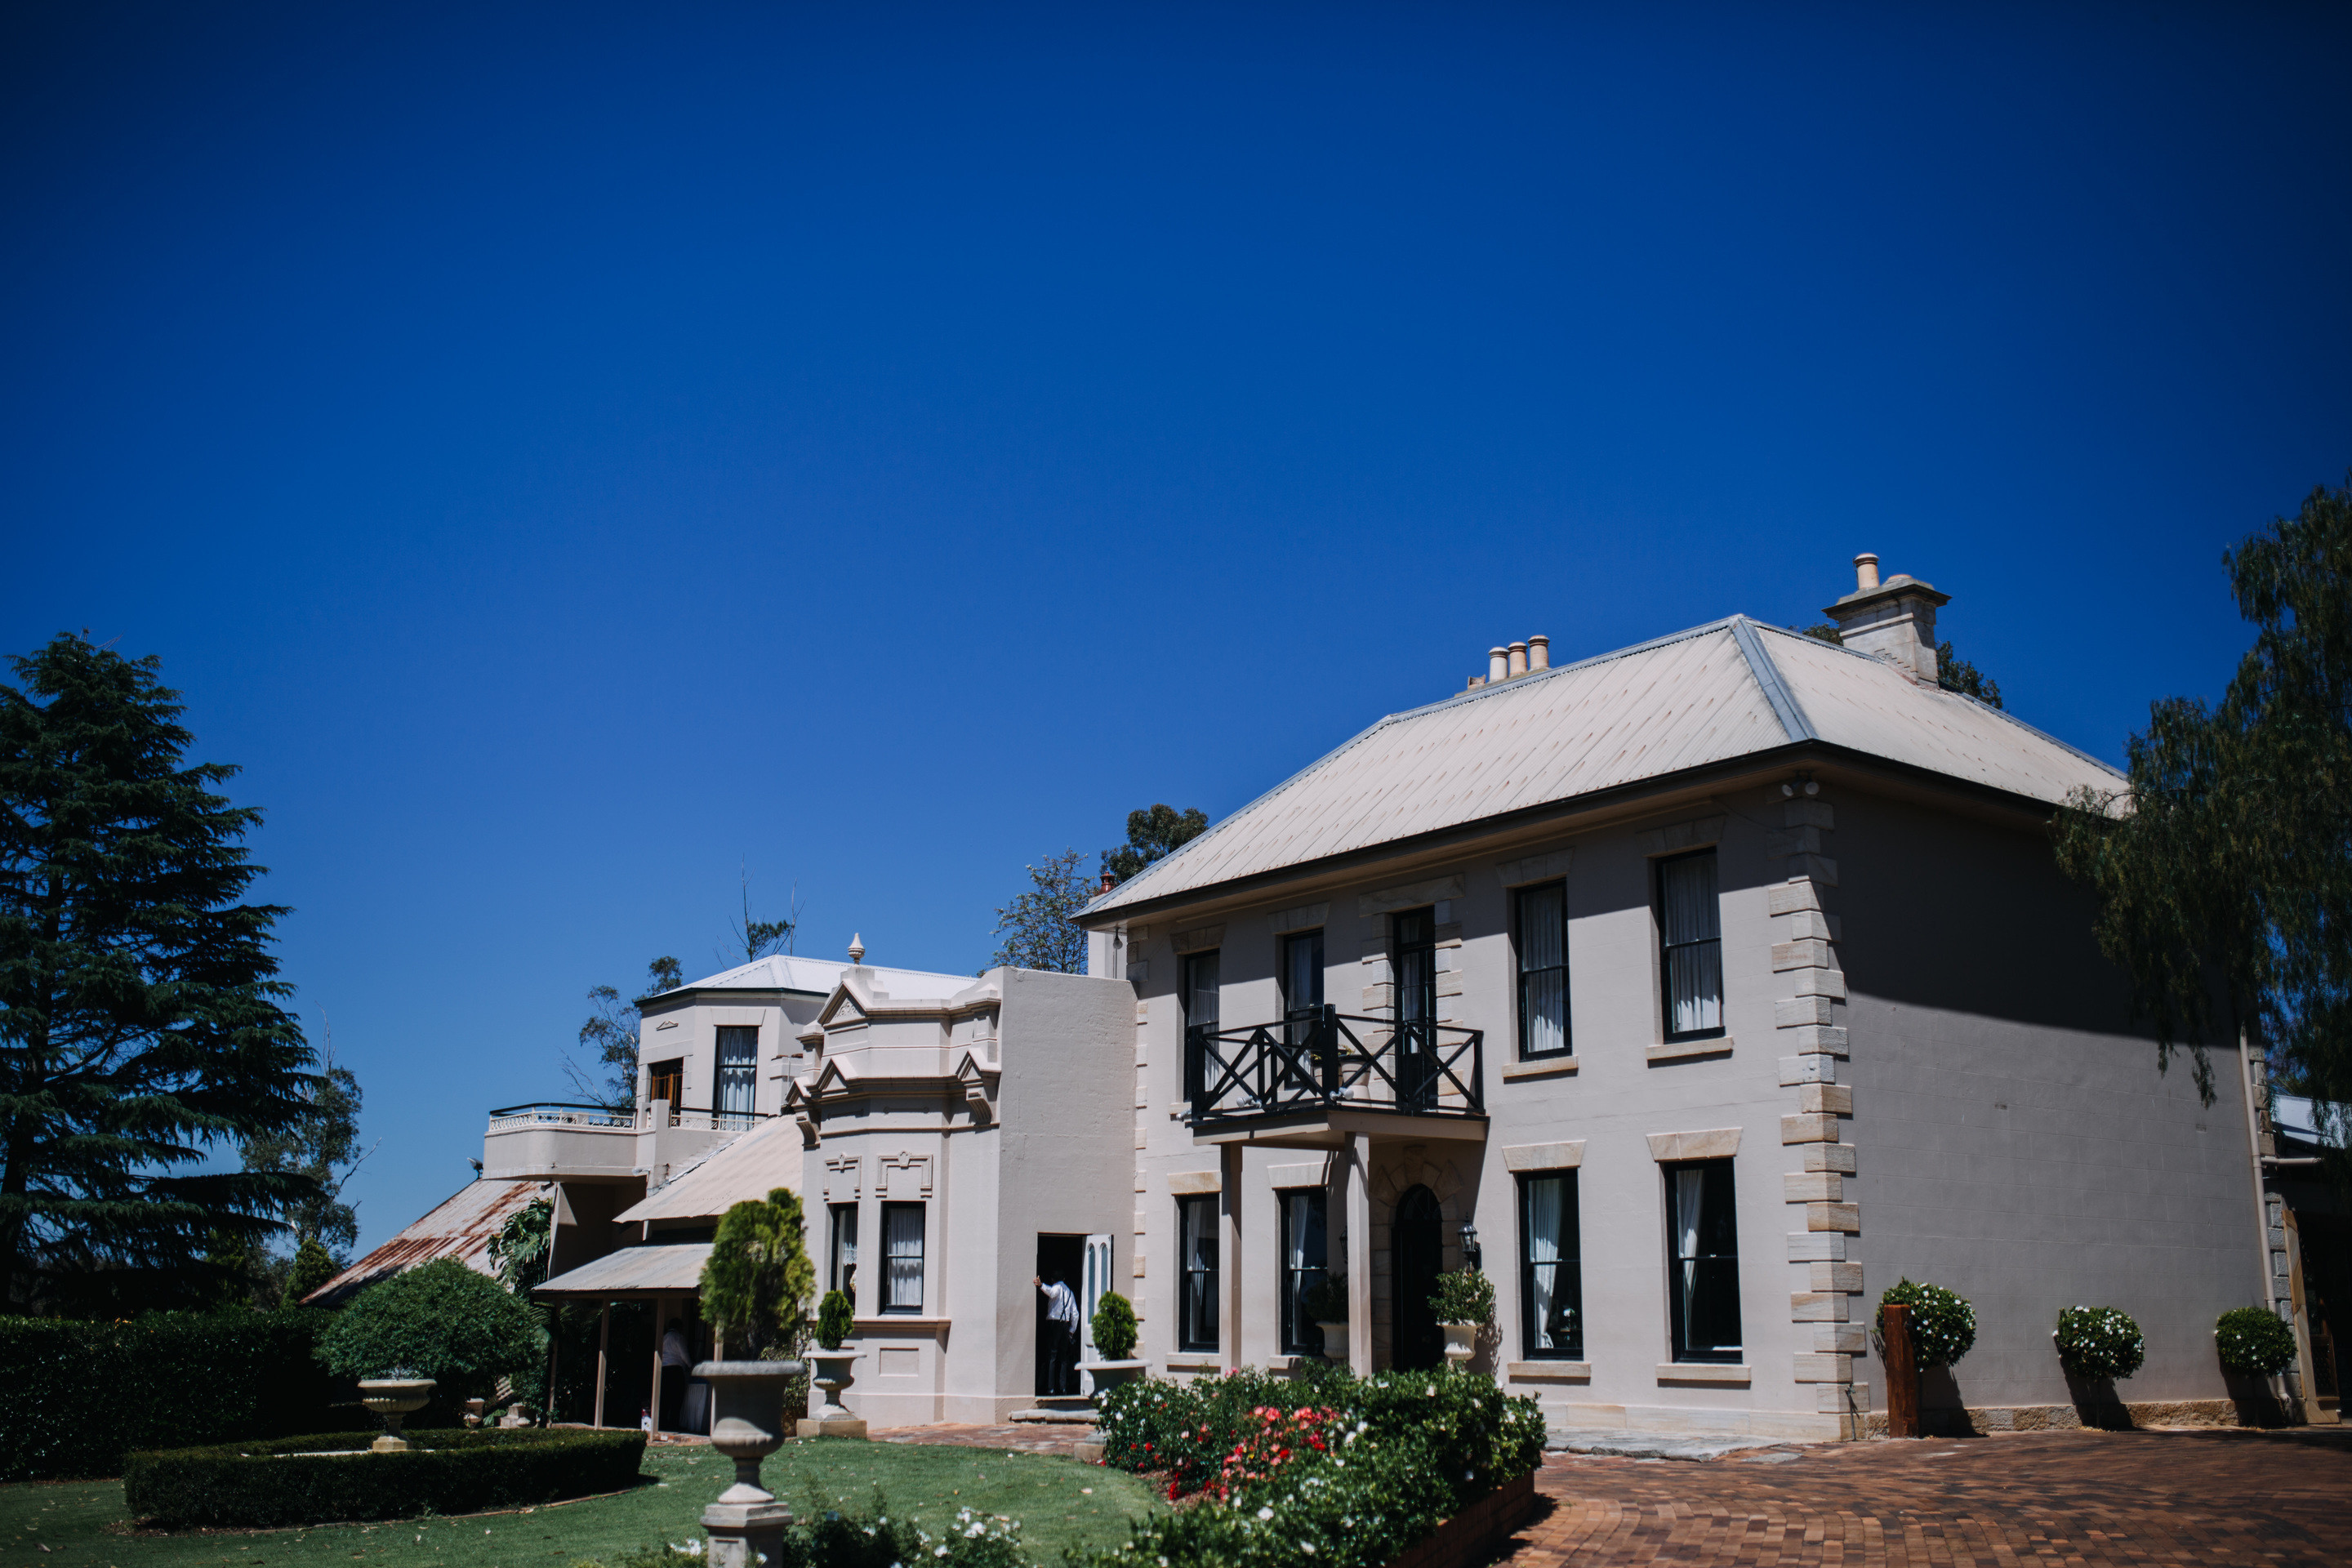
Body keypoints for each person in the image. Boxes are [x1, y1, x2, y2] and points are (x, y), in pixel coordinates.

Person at [1036, 1274, 1080, 1397]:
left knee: (1052, 1356)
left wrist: (1041, 1285)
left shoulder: (1057, 1288)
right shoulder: (1070, 1293)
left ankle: (1050, 1388)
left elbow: (1051, 1292)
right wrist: (1072, 1330)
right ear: (1064, 1279)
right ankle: (1063, 1388)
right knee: (1063, 1358)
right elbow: (1075, 1314)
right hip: (1065, 1325)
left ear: (1053, 1279)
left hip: (1054, 1323)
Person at [658, 1319, 691, 1432]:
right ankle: (673, 1424)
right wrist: (691, 1365)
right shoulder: (678, 1337)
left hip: (664, 1369)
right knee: (676, 1398)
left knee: (665, 1397)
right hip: (675, 1369)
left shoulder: (663, 1337)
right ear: (679, 1327)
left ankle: (662, 1423)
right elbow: (684, 1354)